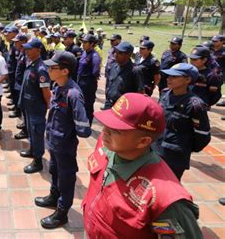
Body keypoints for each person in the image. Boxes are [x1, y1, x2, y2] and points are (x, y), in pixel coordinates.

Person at [83, 92, 203, 238]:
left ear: (143, 141)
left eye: (116, 130)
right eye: (107, 123)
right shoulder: (106, 144)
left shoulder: (164, 198)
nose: (104, 131)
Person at [35, 51, 91, 229]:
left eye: (53, 67)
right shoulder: (58, 87)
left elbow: (84, 129)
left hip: (65, 146)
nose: (48, 69)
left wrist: (67, 132)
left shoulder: (73, 94)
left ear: (65, 71)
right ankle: (53, 196)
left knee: (66, 179)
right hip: (54, 142)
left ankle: (62, 212)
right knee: (54, 171)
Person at [153, 63, 211, 180]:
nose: (169, 79)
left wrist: (184, 147)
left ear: (188, 79)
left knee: (170, 188)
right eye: (168, 76)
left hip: (174, 156)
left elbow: (203, 135)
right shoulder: (165, 94)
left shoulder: (195, 105)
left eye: (174, 77)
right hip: (155, 149)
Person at [19, 38, 51, 174]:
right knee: (31, 131)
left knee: (37, 133)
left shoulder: (42, 69)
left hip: (36, 107)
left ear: (38, 50)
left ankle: (38, 161)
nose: (26, 51)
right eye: (26, 48)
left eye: (29, 49)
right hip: (28, 105)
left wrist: (46, 106)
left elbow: (46, 92)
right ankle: (32, 150)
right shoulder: (32, 63)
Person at [104, 41, 144, 109]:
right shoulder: (113, 67)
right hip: (109, 104)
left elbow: (139, 93)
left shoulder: (135, 71)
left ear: (128, 55)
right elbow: (108, 84)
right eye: (115, 52)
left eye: (120, 53)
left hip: (123, 108)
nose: (116, 55)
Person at [77, 34, 101, 124]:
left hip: (88, 83)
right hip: (81, 81)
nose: (83, 44)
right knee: (81, 103)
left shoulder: (94, 56)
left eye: (85, 42)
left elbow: (95, 72)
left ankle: (88, 124)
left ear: (92, 44)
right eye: (82, 42)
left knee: (88, 104)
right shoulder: (84, 52)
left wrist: (90, 80)